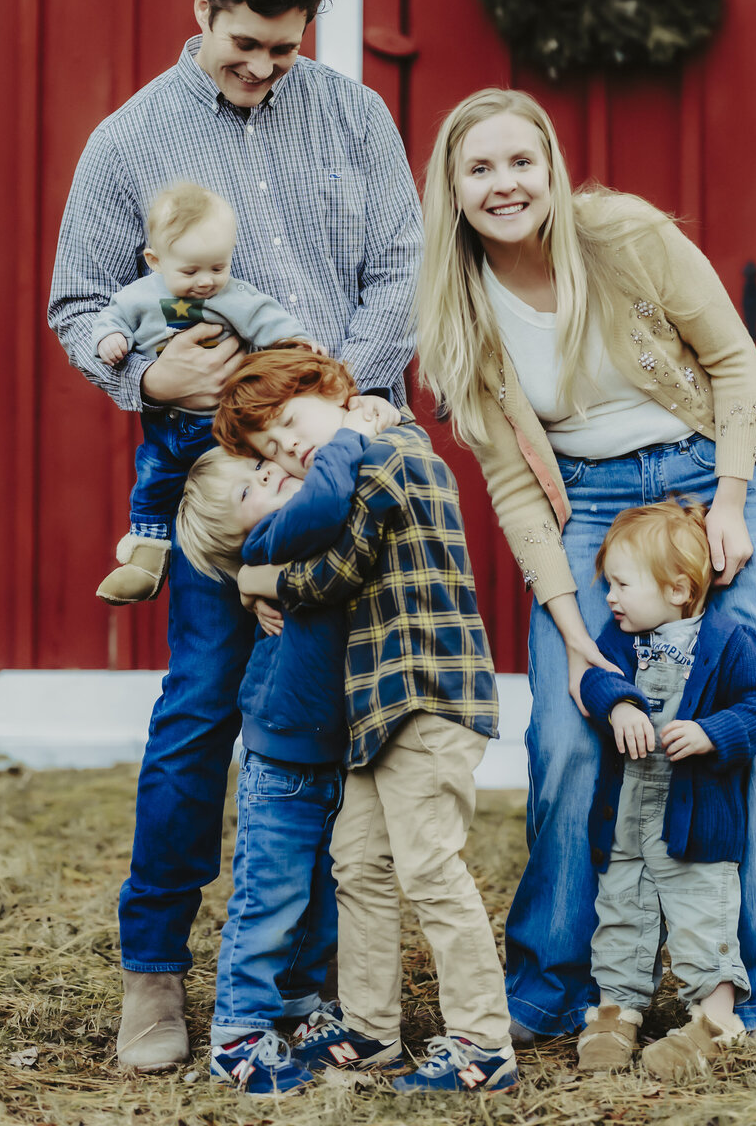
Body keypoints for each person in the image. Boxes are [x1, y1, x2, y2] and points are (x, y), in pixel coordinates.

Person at [47, 0, 422, 1071]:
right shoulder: (129, 141)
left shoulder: (357, 119)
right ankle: (154, 971)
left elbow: (401, 274)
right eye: (243, 44)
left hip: (346, 464)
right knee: (203, 710)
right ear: (202, 9)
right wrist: (148, 375)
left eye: (284, 48)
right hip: (218, 481)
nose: (261, 67)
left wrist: (331, 406)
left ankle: (304, 980)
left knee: (326, 721)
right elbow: (77, 306)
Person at [415, 87, 756, 1041]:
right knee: (564, 737)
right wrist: (569, 627)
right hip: (585, 503)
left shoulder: (628, 236)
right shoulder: (456, 308)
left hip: (702, 474)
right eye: (481, 168)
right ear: (453, 189)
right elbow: (514, 485)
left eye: (522, 162)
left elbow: (733, 361)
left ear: (551, 169)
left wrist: (731, 499)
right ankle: (552, 980)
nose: (505, 184)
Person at [214, 347, 519, 1097]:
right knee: (358, 864)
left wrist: (257, 574)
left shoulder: (389, 454)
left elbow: (337, 570)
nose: (288, 446)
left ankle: (483, 1042)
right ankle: (371, 1027)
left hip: (425, 695)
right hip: (377, 707)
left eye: (290, 421)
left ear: (337, 389)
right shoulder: (359, 458)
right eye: (269, 447)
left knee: (429, 868)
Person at [171, 397, 395, 1094]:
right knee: (268, 899)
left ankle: (298, 1003)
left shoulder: (299, 541)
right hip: (283, 760)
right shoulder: (278, 540)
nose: (269, 474)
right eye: (250, 488)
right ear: (242, 538)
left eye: (262, 468)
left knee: (319, 894)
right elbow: (324, 499)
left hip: (332, 753)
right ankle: (237, 1031)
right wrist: (352, 433)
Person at [576, 499, 756, 1077]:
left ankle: (717, 1019)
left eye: (622, 584)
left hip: (696, 823)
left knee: (701, 915)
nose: (610, 597)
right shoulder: (620, 642)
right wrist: (619, 705)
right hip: (625, 820)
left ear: (676, 589)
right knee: (621, 912)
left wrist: (712, 732)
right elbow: (593, 678)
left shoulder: (730, 642)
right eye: (609, 584)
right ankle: (617, 1010)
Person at [89, 180, 316, 605]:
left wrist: (295, 342)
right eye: (190, 272)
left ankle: (254, 565)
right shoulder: (137, 297)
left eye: (218, 267)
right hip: (164, 422)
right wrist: (110, 339)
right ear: (155, 261)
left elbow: (265, 317)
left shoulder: (233, 296)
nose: (207, 282)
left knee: (227, 499)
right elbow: (108, 318)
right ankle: (146, 559)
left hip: (220, 429)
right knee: (152, 481)